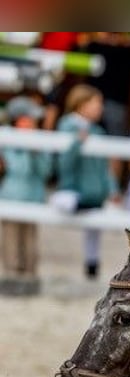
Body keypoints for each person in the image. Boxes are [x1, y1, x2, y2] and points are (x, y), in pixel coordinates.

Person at [52, 84, 118, 279]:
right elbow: (63, 163)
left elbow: (105, 167)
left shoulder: (98, 131)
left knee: (94, 230)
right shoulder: (66, 125)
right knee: (64, 202)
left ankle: (92, 265)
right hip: (73, 187)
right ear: (82, 104)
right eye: (96, 103)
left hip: (94, 188)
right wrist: (77, 143)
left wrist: (112, 189)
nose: (101, 108)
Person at [0, 95, 53, 295]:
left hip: (32, 198)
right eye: (28, 119)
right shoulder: (6, 140)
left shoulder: (38, 141)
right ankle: (10, 278)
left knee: (30, 243)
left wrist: (34, 151)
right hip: (10, 197)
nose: (32, 123)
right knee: (10, 242)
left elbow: (46, 171)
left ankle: (30, 279)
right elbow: (15, 169)